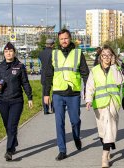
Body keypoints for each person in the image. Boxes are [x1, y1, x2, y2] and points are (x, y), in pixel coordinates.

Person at [43, 29, 90, 161]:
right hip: (58, 93)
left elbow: (85, 73)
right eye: (61, 39)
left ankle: (76, 137)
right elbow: (48, 75)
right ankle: (62, 150)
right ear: (59, 40)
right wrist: (46, 93)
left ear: (70, 39)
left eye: (66, 38)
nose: (64, 41)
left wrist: (88, 90)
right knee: (59, 122)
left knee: (75, 121)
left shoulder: (78, 53)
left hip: (73, 93)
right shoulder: (54, 54)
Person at [0, 42, 33, 161]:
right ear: (4, 53)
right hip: (3, 101)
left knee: (12, 125)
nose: (8, 53)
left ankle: (9, 151)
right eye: (6, 51)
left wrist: (29, 97)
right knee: (7, 125)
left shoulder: (20, 66)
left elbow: (25, 82)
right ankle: (13, 142)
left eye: (10, 51)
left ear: (14, 53)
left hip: (16, 101)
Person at [85, 45, 124, 168]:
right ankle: (107, 147)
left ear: (113, 56)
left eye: (109, 55)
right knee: (102, 131)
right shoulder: (95, 70)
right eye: (104, 55)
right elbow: (90, 86)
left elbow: (119, 81)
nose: (106, 57)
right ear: (100, 57)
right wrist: (88, 100)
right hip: (99, 104)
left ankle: (104, 157)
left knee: (109, 128)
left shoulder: (116, 68)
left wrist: (113, 66)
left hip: (112, 103)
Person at [38, 38, 54, 115]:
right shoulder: (54, 53)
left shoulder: (41, 53)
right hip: (53, 74)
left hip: (44, 74)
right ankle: (53, 108)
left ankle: (45, 109)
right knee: (55, 91)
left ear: (46, 45)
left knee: (45, 92)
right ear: (52, 45)